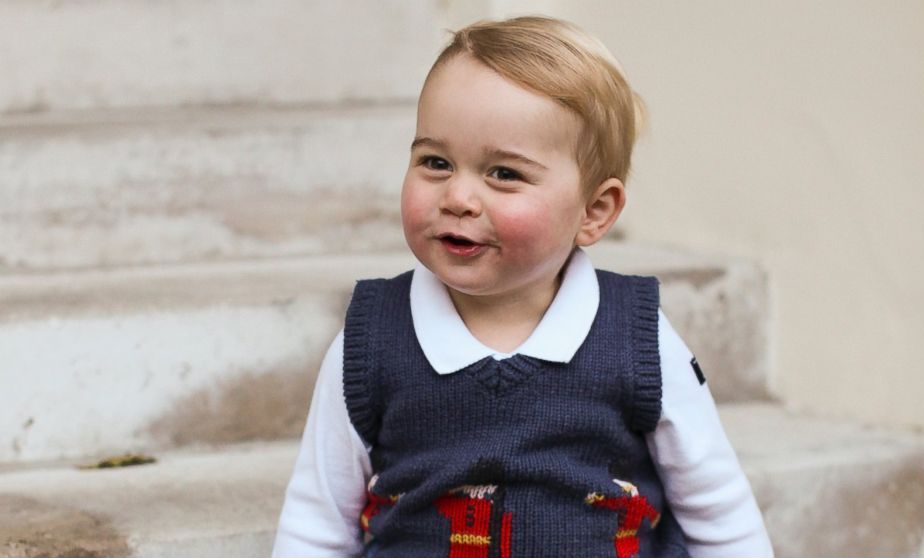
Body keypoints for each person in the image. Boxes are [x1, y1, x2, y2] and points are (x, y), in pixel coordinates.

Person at [273, 15, 773, 558]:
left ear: (594, 211)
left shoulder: (636, 338)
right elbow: (317, 521)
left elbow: (718, 511)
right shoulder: (373, 339)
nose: (459, 197)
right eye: (436, 162)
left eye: (504, 174)